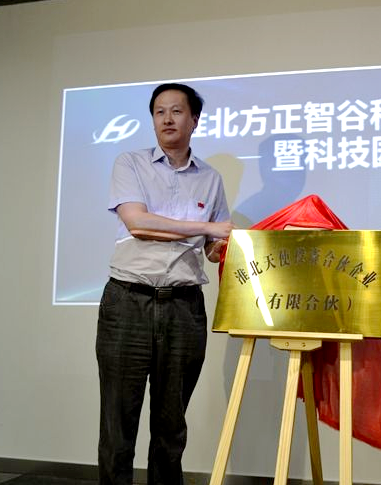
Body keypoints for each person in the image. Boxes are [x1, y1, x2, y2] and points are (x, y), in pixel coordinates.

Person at [96, 83, 233, 485]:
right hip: (128, 302)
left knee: (172, 427)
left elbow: (211, 248)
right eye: (159, 112)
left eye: (176, 111)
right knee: (118, 423)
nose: (167, 119)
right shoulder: (130, 163)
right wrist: (208, 227)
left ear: (194, 120)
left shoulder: (211, 178)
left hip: (184, 307)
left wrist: (222, 245)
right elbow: (138, 223)